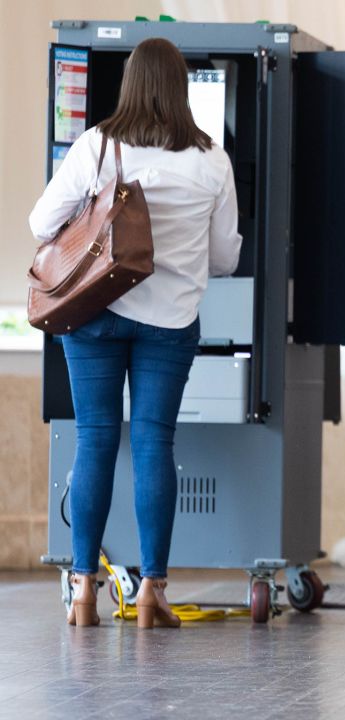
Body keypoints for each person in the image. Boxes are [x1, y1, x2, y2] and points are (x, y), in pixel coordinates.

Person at [29, 38, 242, 628]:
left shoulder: (97, 145)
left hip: (93, 313)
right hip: (170, 321)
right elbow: (224, 258)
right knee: (154, 445)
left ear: (128, 83)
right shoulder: (211, 161)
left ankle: (83, 591)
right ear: (181, 90)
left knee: (95, 439)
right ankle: (152, 590)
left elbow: (40, 223)